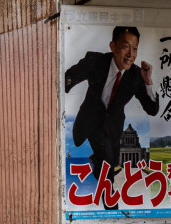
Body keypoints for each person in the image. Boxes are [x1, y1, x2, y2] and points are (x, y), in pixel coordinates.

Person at [64, 26, 159, 179]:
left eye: (135, 49)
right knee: (107, 171)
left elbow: (152, 109)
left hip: (113, 128)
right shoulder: (95, 61)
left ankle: (96, 162)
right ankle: (110, 198)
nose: (131, 55)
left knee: (109, 163)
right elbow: (65, 80)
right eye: (126, 47)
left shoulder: (135, 75)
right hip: (91, 122)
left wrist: (148, 81)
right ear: (113, 47)